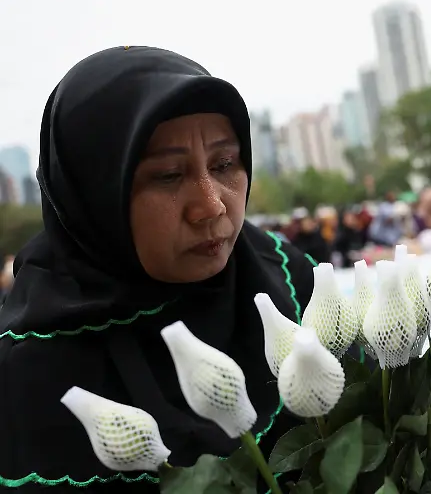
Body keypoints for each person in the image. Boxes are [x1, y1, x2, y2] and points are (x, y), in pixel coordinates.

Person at [0, 47, 364, 493]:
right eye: (169, 175)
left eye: (224, 164)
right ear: (94, 194)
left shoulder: (290, 279)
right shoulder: (26, 375)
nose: (211, 206)